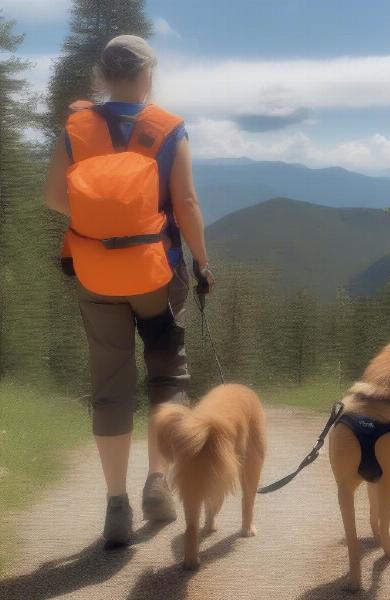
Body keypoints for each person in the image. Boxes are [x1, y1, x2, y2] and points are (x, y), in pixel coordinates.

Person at [44, 35, 214, 547]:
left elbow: (54, 196)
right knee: (166, 374)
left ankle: (115, 503)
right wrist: (202, 262)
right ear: (148, 76)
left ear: (102, 75)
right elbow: (185, 201)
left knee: (110, 382)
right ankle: (156, 483)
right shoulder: (167, 127)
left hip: (95, 272)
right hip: (157, 272)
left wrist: (101, 226)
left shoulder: (77, 129)